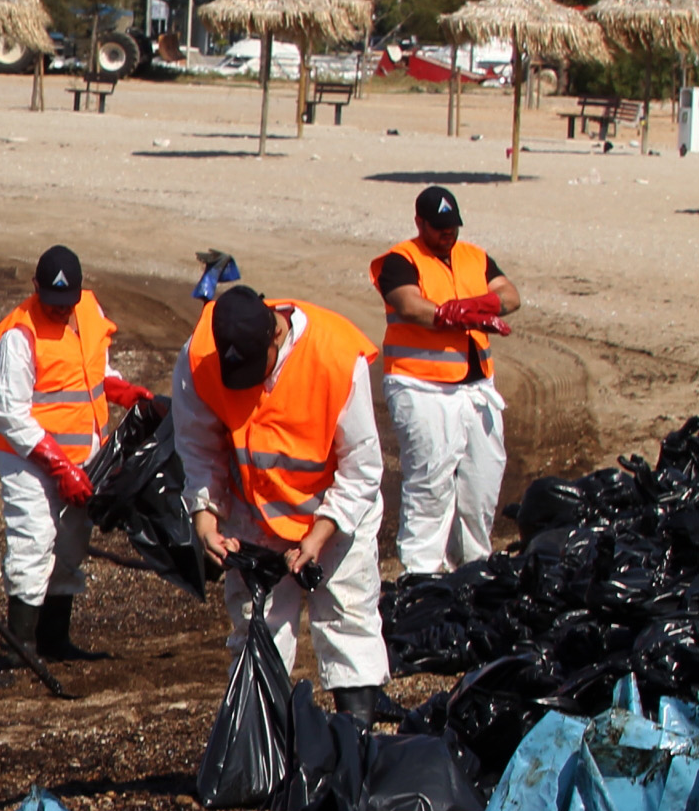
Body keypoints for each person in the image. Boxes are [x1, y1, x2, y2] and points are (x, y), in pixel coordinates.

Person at [176, 283, 391, 722]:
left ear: (276, 334)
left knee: (348, 620)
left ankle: (356, 735)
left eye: (256, 368)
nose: (247, 384)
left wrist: (320, 534)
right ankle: (262, 746)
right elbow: (199, 448)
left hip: (335, 509)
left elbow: (362, 466)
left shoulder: (335, 356)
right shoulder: (198, 358)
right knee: (259, 628)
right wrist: (205, 517)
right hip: (255, 514)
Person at [0, 245, 154, 661]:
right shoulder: (18, 335)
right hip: (29, 459)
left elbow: (94, 372)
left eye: (67, 301)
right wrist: (60, 468)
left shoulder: (89, 312)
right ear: (35, 287)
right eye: (51, 301)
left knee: (71, 542)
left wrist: (124, 392)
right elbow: (10, 415)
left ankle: (54, 639)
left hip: (83, 455)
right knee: (34, 541)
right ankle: (21, 645)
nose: (60, 309)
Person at [372, 185, 520, 574]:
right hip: (421, 387)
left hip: (476, 388)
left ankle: (472, 569)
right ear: (419, 223)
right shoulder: (400, 260)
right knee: (430, 485)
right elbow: (408, 304)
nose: (447, 233)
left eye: (452, 225)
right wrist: (450, 315)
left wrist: (480, 306)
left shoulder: (474, 257)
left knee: (481, 485)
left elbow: (510, 295)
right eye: (438, 227)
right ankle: (420, 575)